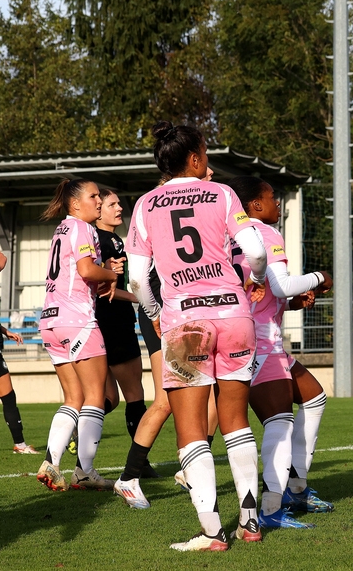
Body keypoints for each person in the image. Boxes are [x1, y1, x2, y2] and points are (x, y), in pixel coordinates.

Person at [126, 121, 268, 552]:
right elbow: (256, 253)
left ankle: (212, 534)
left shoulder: (146, 204)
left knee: (190, 429)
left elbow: (136, 279)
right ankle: (249, 522)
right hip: (234, 313)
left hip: (185, 321)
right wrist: (256, 280)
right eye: (204, 151)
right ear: (194, 158)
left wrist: (154, 313)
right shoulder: (223, 193)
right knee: (236, 421)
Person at [227, 176, 335, 528]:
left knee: (314, 397)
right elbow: (281, 283)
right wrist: (322, 277)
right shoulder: (265, 234)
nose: (277, 205)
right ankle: (272, 508)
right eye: (272, 198)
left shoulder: (229, 235)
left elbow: (263, 291)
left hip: (244, 331)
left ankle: (296, 486)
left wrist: (289, 302)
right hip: (259, 339)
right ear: (255, 205)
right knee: (278, 421)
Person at [115, 168, 219, 510]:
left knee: (216, 395)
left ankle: (190, 468)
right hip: (168, 314)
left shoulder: (187, 206)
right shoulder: (159, 209)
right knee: (165, 400)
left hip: (186, 314)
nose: (211, 175)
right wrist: (155, 313)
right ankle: (128, 478)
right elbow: (139, 278)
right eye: (205, 169)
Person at [36, 179, 119, 492]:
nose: (99, 201)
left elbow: (78, 271)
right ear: (75, 204)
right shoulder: (84, 228)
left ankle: (51, 461)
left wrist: (102, 268)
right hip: (77, 320)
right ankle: (84, 472)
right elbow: (86, 271)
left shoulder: (62, 229)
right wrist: (111, 273)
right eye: (94, 196)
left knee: (73, 398)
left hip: (50, 320)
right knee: (96, 395)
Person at [94, 189, 158, 478]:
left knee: (106, 398)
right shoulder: (102, 240)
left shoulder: (114, 239)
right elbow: (104, 288)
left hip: (102, 322)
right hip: (113, 321)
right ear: (99, 209)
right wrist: (141, 299)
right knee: (135, 393)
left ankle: (69, 432)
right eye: (112, 204)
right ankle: (139, 463)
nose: (119, 208)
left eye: (119, 203)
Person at [0, 249, 37, 454]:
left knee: (8, 396)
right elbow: (0, 259)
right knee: (8, 397)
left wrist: (5, 331)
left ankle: (20, 444)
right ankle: (19, 444)